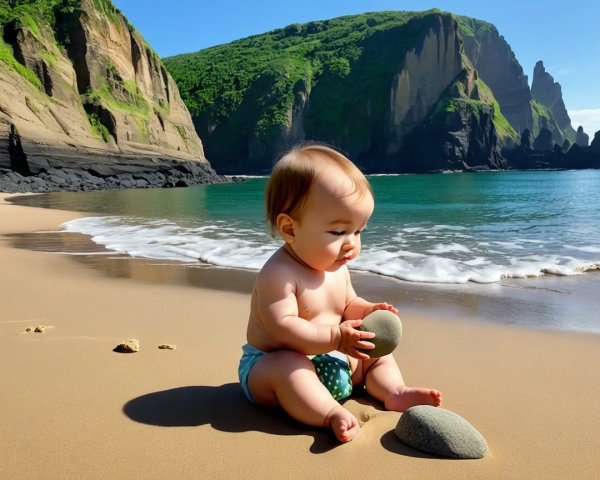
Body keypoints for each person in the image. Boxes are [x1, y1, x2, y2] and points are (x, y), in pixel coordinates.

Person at [238, 143, 442, 442]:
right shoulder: (278, 275)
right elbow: (282, 329)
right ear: (290, 229)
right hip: (272, 367)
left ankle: (394, 391)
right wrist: (336, 337)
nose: (351, 243)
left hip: (334, 358)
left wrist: (368, 311)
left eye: (359, 231)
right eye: (338, 232)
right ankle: (329, 413)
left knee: (373, 352)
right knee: (288, 366)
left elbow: (348, 304)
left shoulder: (337, 269)